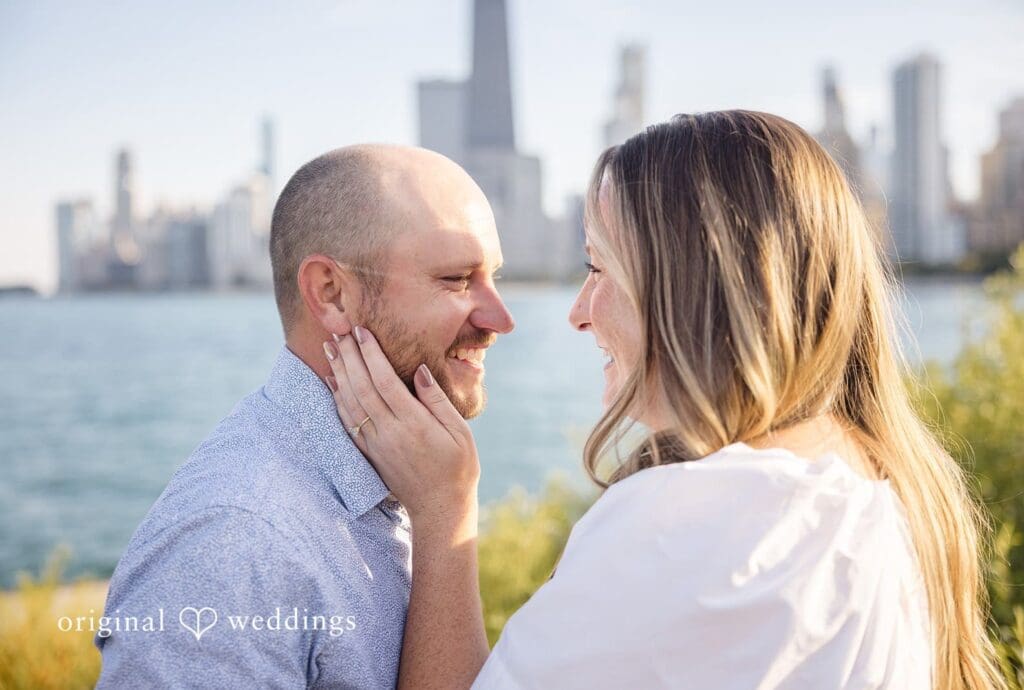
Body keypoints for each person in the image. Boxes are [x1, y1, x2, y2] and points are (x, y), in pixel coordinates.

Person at [324, 112, 1004, 689]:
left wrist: (444, 512)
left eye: (598, 267)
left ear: (692, 289)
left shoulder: (698, 521)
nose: (579, 313)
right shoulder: (880, 487)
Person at [95, 144, 514, 687]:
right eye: (456, 279)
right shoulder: (232, 548)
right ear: (331, 293)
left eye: (493, 276)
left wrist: (447, 509)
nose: (500, 319)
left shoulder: (413, 479)